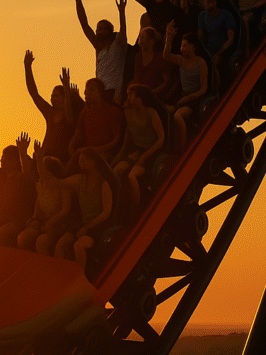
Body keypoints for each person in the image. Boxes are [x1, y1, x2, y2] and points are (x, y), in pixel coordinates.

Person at [47, 148, 117, 271]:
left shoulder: (103, 183)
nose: (81, 164)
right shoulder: (79, 180)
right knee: (60, 245)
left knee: (79, 245)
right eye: (79, 161)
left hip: (98, 227)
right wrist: (39, 161)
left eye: (84, 161)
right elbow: (54, 183)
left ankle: (80, 280)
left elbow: (106, 213)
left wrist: (87, 227)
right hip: (83, 225)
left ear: (93, 163)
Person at [112, 84, 167, 212]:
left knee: (132, 176)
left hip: (151, 153)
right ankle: (120, 203)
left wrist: (144, 156)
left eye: (131, 95)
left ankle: (135, 208)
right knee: (116, 170)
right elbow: (128, 136)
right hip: (136, 151)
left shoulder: (151, 114)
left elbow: (161, 139)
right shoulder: (128, 113)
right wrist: (120, 155)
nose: (128, 98)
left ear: (140, 99)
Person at [75, 0, 128, 103]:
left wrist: (121, 12)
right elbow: (84, 24)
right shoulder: (98, 48)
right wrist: (78, 0)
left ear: (109, 31)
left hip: (114, 93)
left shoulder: (117, 45)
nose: (99, 31)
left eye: (102, 29)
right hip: (100, 92)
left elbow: (123, 30)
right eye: (98, 29)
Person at [18, 140, 75, 252]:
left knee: (42, 241)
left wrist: (51, 221)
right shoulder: (41, 185)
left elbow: (65, 211)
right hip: (44, 222)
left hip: (60, 224)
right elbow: (28, 175)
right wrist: (22, 152)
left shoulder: (63, 186)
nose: (40, 172)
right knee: (23, 237)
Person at [164, 21, 211, 151]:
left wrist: (189, 97)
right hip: (183, 96)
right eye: (181, 46)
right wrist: (169, 38)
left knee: (178, 116)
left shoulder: (201, 63)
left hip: (195, 99)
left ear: (193, 47)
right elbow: (166, 55)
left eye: (185, 46)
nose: (182, 49)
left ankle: (183, 147)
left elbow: (204, 88)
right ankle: (169, 145)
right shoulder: (180, 60)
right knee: (165, 111)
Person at [24, 50, 76, 163]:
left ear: (64, 98)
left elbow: (70, 119)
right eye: (52, 96)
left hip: (62, 159)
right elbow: (34, 93)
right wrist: (27, 67)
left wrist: (67, 89)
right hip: (45, 156)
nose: (53, 99)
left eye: (56, 96)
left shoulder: (71, 114)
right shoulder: (50, 112)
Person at [69, 78, 125, 165]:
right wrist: (71, 149)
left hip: (107, 154)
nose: (87, 92)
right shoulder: (84, 113)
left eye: (91, 89)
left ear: (100, 92)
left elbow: (116, 141)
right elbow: (77, 136)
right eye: (86, 89)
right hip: (87, 154)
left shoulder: (113, 111)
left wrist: (93, 150)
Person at [196, 0, 236, 85]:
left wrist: (219, 52)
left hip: (224, 50)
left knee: (215, 63)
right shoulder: (202, 16)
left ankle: (218, 89)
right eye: (205, 1)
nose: (207, 3)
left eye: (209, 1)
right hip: (208, 50)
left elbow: (231, 39)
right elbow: (200, 36)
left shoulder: (226, 15)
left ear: (216, 2)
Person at [130, 26, 173, 101]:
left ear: (152, 41)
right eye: (140, 37)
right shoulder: (138, 57)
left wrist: (152, 93)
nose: (140, 40)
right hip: (139, 96)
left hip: (155, 97)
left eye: (143, 37)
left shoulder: (160, 58)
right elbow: (136, 77)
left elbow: (167, 81)